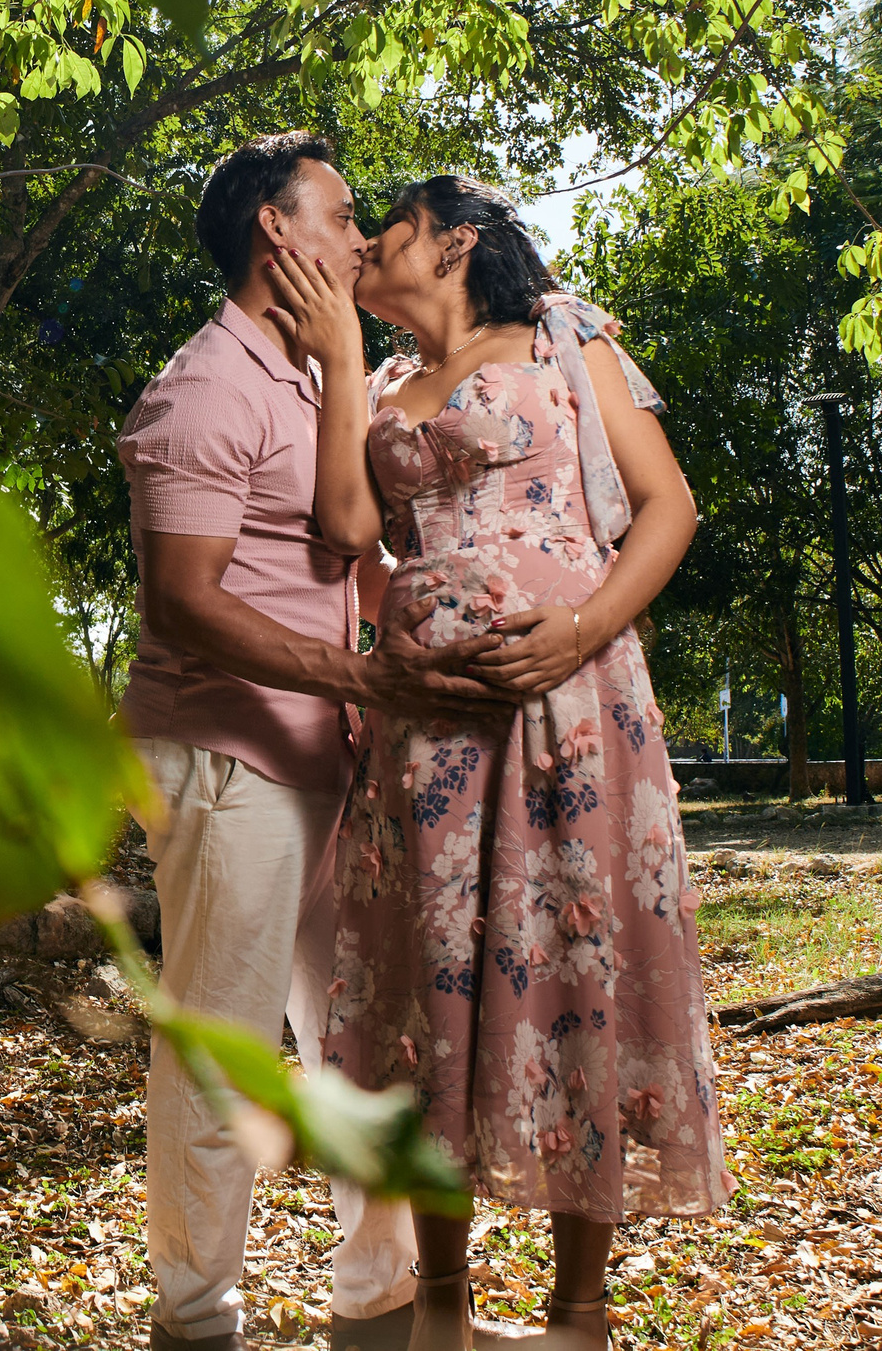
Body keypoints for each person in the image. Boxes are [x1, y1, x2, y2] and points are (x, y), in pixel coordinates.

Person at [268, 174, 730, 1350]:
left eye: (393, 231)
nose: (365, 245)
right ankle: (442, 1305)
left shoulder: (569, 340)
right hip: (425, 730)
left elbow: (667, 504)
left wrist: (577, 628)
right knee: (433, 983)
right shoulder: (369, 384)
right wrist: (329, 352)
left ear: (458, 241)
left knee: (580, 965)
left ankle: (578, 1312)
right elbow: (349, 530)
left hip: (571, 710)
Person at [116, 135, 520, 1351]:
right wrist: (366, 671)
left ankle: (382, 1304)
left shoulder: (319, 376)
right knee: (224, 1047)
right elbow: (182, 597)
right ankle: (196, 1323)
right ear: (274, 235)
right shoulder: (203, 389)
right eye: (342, 216)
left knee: (361, 1036)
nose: (360, 238)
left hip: (331, 758)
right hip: (225, 762)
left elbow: (349, 555)